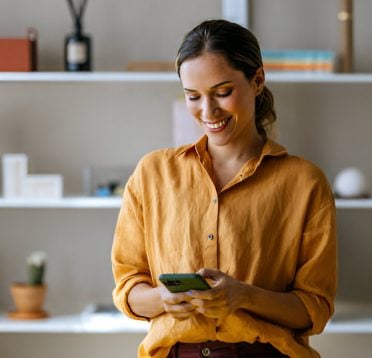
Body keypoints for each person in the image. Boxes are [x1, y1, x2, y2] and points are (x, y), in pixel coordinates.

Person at [111, 19, 337, 358]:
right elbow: (128, 289)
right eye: (193, 96)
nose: (207, 110)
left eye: (222, 92)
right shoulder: (152, 174)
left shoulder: (304, 183)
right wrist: (164, 298)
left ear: (257, 80)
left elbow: (314, 308)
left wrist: (244, 295)